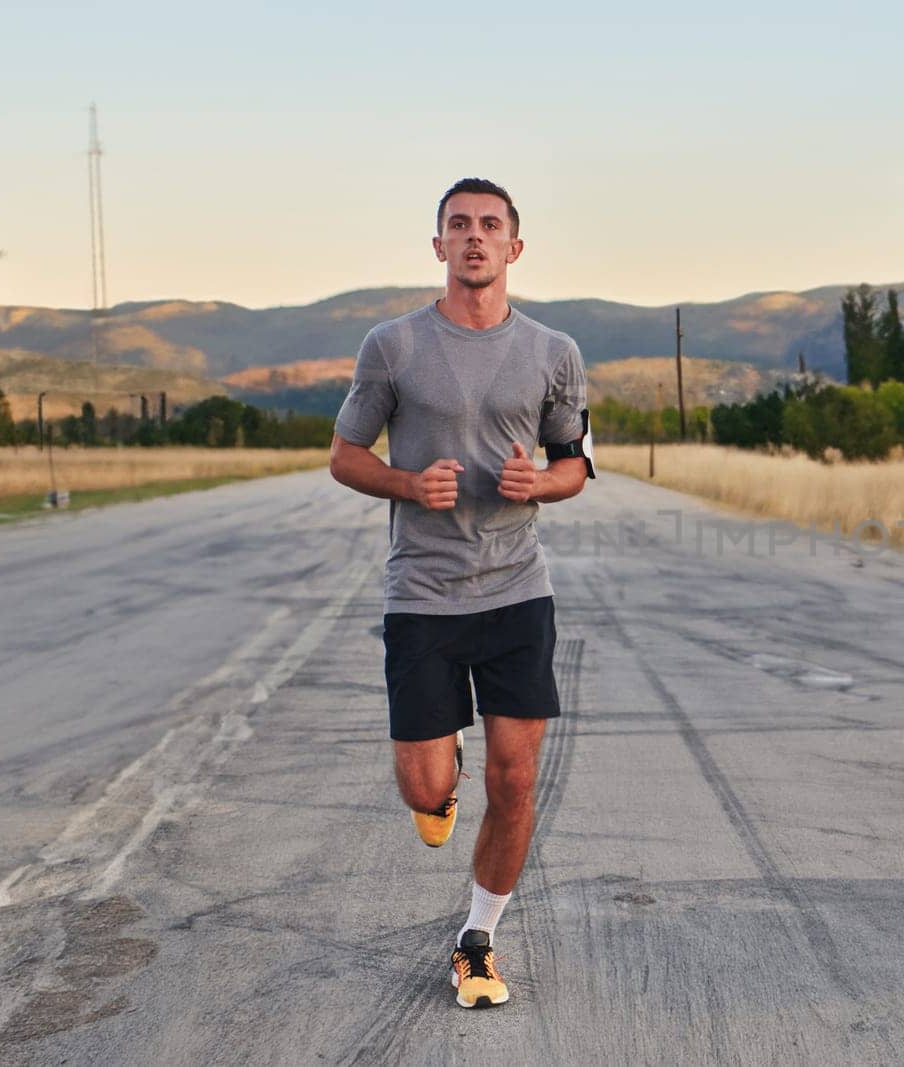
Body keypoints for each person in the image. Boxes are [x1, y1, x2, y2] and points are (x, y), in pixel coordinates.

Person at [328, 176, 594, 1009]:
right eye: (458, 225)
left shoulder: (554, 351)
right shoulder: (394, 346)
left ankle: (477, 938)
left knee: (514, 785)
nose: (474, 237)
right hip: (423, 597)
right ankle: (440, 775)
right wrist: (408, 483)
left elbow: (575, 464)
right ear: (437, 245)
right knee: (422, 786)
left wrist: (539, 485)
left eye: (489, 226)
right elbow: (345, 456)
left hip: (517, 593)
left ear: (515, 247)